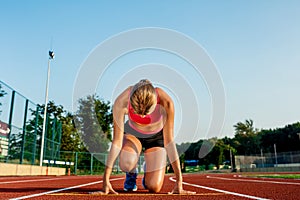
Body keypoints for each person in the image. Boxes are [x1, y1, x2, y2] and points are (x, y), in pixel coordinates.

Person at [101, 79, 195, 194]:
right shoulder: (121, 101)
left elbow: (169, 142)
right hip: (133, 135)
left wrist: (179, 182)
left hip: (156, 138)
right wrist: (106, 180)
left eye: (146, 113)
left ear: (155, 102)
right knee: (126, 163)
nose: (142, 116)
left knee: (154, 187)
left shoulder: (166, 102)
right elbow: (116, 142)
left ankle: (148, 171)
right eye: (137, 112)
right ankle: (131, 174)